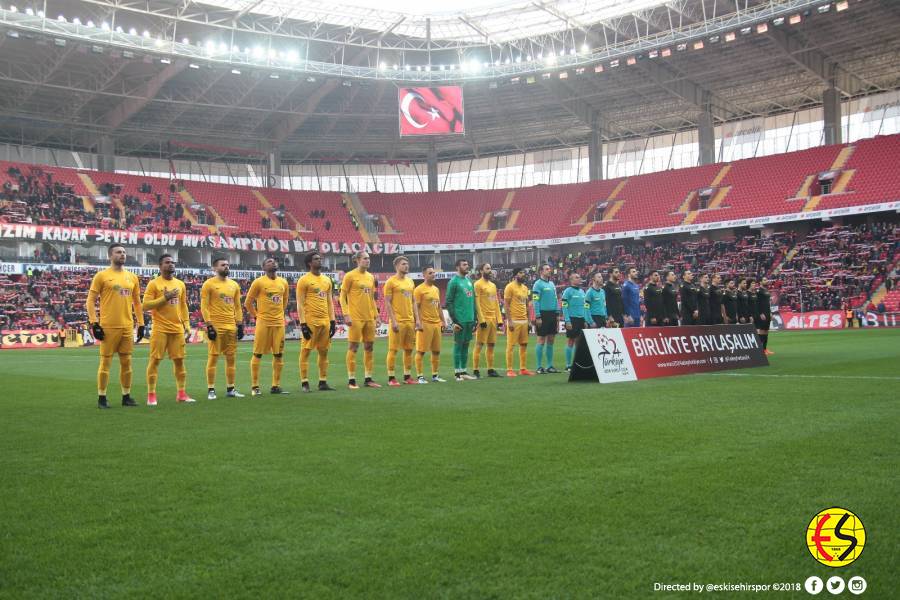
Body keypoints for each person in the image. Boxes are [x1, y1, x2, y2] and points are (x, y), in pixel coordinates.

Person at [86, 244, 144, 409]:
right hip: (109, 327)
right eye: (119, 252)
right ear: (110, 256)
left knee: (127, 362)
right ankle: (102, 398)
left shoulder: (132, 277)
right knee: (105, 363)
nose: (122, 254)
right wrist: (94, 322)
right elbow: (90, 301)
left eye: (124, 252)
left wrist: (141, 323)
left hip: (127, 326)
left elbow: (137, 303)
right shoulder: (102, 276)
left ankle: (126, 396)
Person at [142, 254, 192, 406]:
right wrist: (165, 298)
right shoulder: (154, 284)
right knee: (155, 360)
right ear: (160, 266)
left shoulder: (180, 284)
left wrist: (187, 324)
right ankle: (151, 395)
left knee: (179, 361)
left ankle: (182, 394)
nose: (171, 265)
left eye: (172, 262)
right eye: (167, 262)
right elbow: (145, 305)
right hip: (160, 328)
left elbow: (183, 306)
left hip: (177, 329)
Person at [200, 257, 244, 400]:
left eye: (227, 265)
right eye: (223, 265)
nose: (226, 267)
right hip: (216, 326)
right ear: (215, 268)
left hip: (231, 327)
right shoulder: (209, 284)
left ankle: (231, 388)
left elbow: (237, 306)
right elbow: (204, 306)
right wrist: (209, 325)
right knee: (213, 357)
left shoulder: (234, 285)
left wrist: (240, 323)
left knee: (231, 359)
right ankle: (211, 390)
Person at [244, 257, 290, 395]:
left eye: (274, 261)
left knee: (279, 354)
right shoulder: (258, 282)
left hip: (278, 324)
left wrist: (280, 314)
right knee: (257, 354)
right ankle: (255, 387)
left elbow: (285, 300)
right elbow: (248, 302)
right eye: (269, 262)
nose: (273, 263)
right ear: (263, 268)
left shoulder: (283, 282)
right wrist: (257, 315)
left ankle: (275, 386)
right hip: (263, 323)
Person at [339, 251, 381, 389]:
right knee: (354, 347)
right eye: (365, 258)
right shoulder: (350, 276)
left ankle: (368, 379)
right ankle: (351, 380)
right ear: (357, 260)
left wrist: (377, 316)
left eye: (369, 258)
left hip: (369, 318)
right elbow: (342, 296)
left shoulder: (370, 277)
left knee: (369, 347)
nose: (368, 260)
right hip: (355, 317)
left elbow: (372, 299)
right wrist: (346, 314)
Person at [296, 252, 336, 392]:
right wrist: (303, 324)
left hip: (325, 321)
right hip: (311, 321)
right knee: (306, 351)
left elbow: (330, 301)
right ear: (309, 263)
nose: (320, 260)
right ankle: (305, 382)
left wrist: (333, 321)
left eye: (320, 258)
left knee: (324, 352)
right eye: (316, 259)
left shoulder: (327, 280)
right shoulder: (304, 280)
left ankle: (322, 381)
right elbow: (300, 303)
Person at [384, 255, 421, 385]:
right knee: (393, 349)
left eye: (407, 264)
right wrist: (393, 321)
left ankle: (407, 376)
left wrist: (417, 320)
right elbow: (387, 303)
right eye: (404, 264)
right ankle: (391, 378)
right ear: (397, 266)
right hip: (398, 321)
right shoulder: (391, 282)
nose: (407, 266)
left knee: (409, 349)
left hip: (410, 321)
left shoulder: (410, 282)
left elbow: (413, 301)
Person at [413, 266, 448, 383]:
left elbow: (438, 307)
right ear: (424, 275)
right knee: (421, 351)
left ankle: (435, 375)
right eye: (430, 273)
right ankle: (420, 376)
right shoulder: (419, 290)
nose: (433, 274)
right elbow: (416, 307)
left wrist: (443, 320)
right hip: (425, 324)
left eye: (434, 272)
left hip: (436, 324)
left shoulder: (436, 289)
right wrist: (418, 321)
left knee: (436, 351)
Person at [445, 259, 477, 381]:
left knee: (466, 345)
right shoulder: (453, 282)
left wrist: (475, 317)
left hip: (469, 318)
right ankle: (457, 373)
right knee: (458, 345)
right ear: (457, 267)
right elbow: (448, 301)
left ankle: (463, 371)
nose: (467, 266)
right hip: (460, 319)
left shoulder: (469, 281)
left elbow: (472, 300)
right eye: (464, 265)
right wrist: (454, 320)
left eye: (467, 265)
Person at [502, 267, 534, 377]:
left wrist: (529, 320)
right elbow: (506, 305)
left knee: (524, 345)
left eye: (524, 273)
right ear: (515, 275)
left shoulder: (525, 288)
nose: (523, 274)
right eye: (521, 273)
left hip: (524, 320)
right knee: (511, 346)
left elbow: (527, 305)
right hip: (514, 320)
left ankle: (523, 368)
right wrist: (509, 321)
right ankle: (509, 369)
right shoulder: (509, 287)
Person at [473, 263, 503, 378]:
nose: (490, 271)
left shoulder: (493, 285)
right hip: (484, 319)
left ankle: (490, 370)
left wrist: (499, 319)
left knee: (491, 345)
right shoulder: (477, 284)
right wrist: (481, 319)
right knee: (479, 344)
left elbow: (495, 303)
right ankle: (476, 370)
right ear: (481, 271)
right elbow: (477, 303)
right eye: (487, 269)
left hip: (493, 320)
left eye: (490, 268)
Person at [532, 263, 560, 373]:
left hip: (552, 314)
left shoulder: (552, 284)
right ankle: (539, 367)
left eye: (550, 269)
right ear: (541, 272)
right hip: (543, 314)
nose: (549, 270)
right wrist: (538, 316)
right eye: (547, 269)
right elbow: (535, 301)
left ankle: (549, 366)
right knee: (541, 339)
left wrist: (557, 313)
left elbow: (555, 299)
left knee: (551, 340)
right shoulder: (537, 284)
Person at [561, 272, 587, 372]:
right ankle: (568, 365)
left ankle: (577, 363)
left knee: (579, 342)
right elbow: (564, 306)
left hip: (581, 320)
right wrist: (567, 320)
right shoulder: (567, 291)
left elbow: (584, 307)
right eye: (577, 277)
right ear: (571, 280)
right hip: (572, 319)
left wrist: (584, 319)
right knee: (571, 341)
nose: (579, 278)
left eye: (579, 277)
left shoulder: (582, 291)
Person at [755, 277, 773, 356]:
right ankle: (759, 349)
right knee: (761, 331)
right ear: (760, 282)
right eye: (764, 280)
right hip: (762, 314)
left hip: (767, 312)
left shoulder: (766, 291)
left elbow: (768, 303)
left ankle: (765, 349)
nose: (767, 281)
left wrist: (770, 312)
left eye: (767, 280)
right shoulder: (759, 291)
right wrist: (760, 313)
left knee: (766, 331)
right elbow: (757, 303)